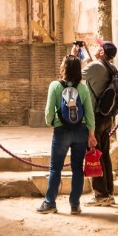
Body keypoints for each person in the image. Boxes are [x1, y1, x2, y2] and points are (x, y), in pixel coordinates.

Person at [37, 54, 96, 215]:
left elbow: (49, 111)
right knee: (77, 168)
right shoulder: (83, 88)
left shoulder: (55, 86)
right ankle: (75, 205)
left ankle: (50, 203)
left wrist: (51, 122)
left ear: (64, 68)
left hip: (61, 130)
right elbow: (89, 113)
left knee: (55, 168)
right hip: (81, 131)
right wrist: (91, 134)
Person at [77, 40, 118, 207]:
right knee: (105, 154)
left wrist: (75, 55)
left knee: (95, 153)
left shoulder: (95, 67)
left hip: (95, 117)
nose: (95, 47)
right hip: (107, 116)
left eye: (98, 46)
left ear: (102, 52)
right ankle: (109, 192)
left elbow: (74, 75)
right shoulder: (111, 68)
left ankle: (101, 195)